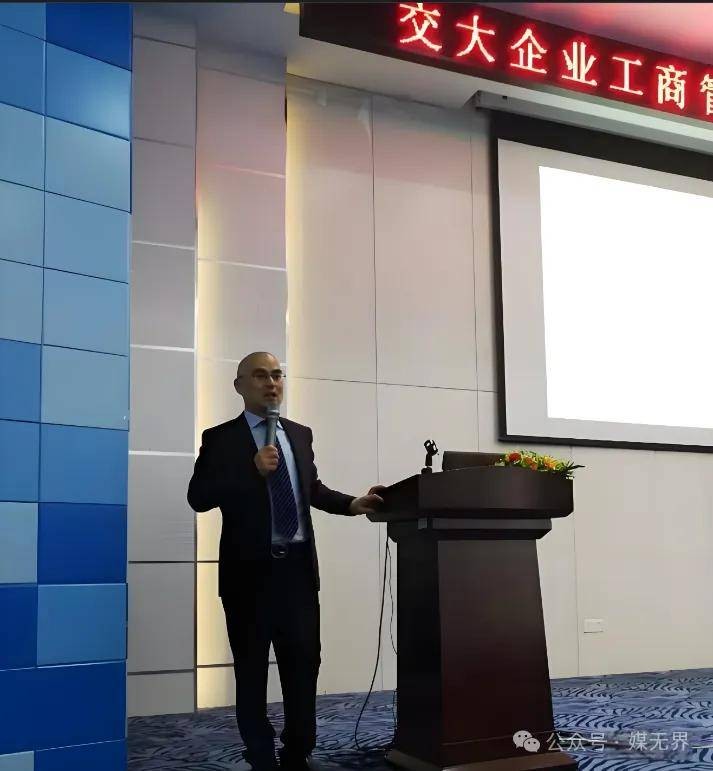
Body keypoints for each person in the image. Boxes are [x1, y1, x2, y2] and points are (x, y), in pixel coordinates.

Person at [187, 351, 385, 771]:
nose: (272, 383)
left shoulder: (299, 433)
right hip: (248, 574)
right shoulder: (219, 438)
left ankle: (298, 749)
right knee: (252, 668)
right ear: (240, 385)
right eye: (260, 375)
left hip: (296, 571)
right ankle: (260, 752)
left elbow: (311, 489)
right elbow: (198, 497)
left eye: (277, 375)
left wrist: (353, 503)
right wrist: (249, 470)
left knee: (303, 663)